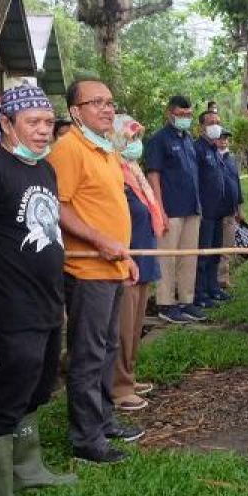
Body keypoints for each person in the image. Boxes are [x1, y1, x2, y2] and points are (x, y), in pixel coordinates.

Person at [0, 85, 77, 496]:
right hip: (9, 306)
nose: (44, 130)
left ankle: (29, 468)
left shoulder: (43, 169)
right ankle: (2, 494)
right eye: (33, 122)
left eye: (48, 122)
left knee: (39, 386)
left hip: (47, 301)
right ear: (6, 124)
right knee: (8, 393)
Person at [47, 79, 141, 465]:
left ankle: (102, 419)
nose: (107, 109)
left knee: (108, 348)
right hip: (86, 269)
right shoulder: (69, 149)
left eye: (110, 102)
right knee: (88, 353)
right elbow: (59, 207)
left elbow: (108, 210)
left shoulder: (104, 149)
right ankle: (86, 438)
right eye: (96, 102)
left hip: (112, 266)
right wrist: (100, 242)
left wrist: (125, 255)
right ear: (74, 111)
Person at [110, 115, 165, 412]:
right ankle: (118, 387)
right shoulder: (113, 173)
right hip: (125, 261)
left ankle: (129, 377)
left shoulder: (133, 171)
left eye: (136, 139)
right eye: (129, 139)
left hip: (143, 257)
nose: (135, 145)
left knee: (134, 326)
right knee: (122, 326)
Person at [144, 95, 204, 324]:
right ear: (170, 113)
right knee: (166, 259)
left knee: (189, 257)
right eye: (181, 115)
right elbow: (153, 176)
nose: (185, 118)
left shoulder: (188, 139)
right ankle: (166, 304)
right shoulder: (159, 140)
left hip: (191, 208)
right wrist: (160, 210)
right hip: (171, 210)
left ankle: (186, 301)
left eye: (188, 115)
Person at [194, 110, 234, 306]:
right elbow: (194, 182)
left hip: (219, 212)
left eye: (218, 122)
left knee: (215, 253)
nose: (215, 126)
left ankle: (213, 289)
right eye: (211, 123)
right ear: (202, 126)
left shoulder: (213, 150)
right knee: (203, 254)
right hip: (205, 213)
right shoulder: (198, 149)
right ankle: (199, 294)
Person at [214, 130, 246, 291]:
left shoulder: (231, 159)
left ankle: (223, 279)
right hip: (213, 213)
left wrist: (240, 209)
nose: (224, 141)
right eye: (221, 138)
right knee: (214, 247)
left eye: (226, 139)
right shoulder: (212, 157)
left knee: (227, 247)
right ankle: (211, 281)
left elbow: (237, 186)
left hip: (230, 211)